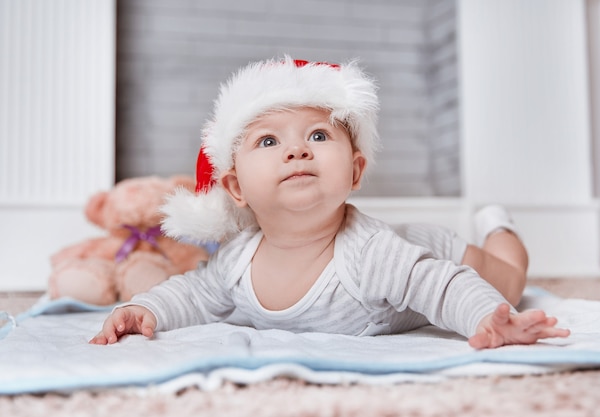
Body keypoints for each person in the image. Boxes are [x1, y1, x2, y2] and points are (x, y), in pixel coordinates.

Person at [90, 57, 569, 349]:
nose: (297, 150)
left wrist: (488, 318)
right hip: (409, 252)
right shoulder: (236, 261)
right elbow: (193, 294)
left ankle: (498, 224)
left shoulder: (372, 254)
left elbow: (443, 286)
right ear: (236, 188)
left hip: (435, 250)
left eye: (319, 135)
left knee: (506, 282)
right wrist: (144, 311)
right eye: (268, 141)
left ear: (355, 171)